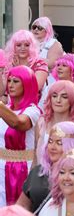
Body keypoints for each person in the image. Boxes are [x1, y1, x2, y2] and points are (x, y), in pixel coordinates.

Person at [16, 122, 74, 214]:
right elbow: (22, 205)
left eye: (59, 143)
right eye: (50, 141)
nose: (52, 147)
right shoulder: (38, 172)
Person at [0, 66, 42, 206]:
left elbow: (18, 123)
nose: (10, 85)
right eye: (9, 80)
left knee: (16, 213)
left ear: (27, 83)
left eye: (16, 81)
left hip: (21, 169)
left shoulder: (32, 110)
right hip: (1, 166)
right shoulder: (5, 108)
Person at [35, 81, 74, 161]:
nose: (58, 100)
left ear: (72, 100)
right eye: (54, 96)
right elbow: (36, 157)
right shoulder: (41, 123)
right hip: (44, 172)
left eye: (64, 97)